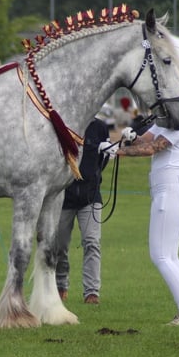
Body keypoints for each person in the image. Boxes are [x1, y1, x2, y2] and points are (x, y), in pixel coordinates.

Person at [116, 73, 179, 326]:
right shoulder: (170, 116)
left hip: (172, 190)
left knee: (161, 256)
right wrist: (131, 137)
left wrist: (117, 151)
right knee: (170, 256)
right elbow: (147, 139)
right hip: (166, 189)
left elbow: (154, 148)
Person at [55, 116, 117, 305]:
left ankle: (91, 292)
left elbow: (102, 161)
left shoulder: (99, 127)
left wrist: (95, 172)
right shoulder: (64, 123)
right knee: (60, 246)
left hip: (90, 196)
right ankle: (60, 284)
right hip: (64, 196)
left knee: (92, 242)